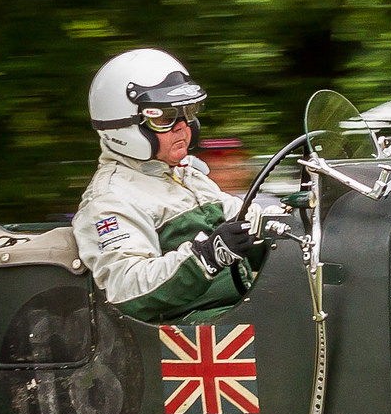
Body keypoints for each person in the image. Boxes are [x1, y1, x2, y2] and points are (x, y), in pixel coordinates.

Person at [73, 48, 271, 322]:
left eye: (187, 112)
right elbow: (125, 288)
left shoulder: (186, 174)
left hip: (237, 311)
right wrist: (206, 258)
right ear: (124, 126)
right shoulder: (111, 198)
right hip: (190, 334)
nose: (182, 127)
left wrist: (297, 220)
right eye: (165, 118)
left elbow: (246, 223)